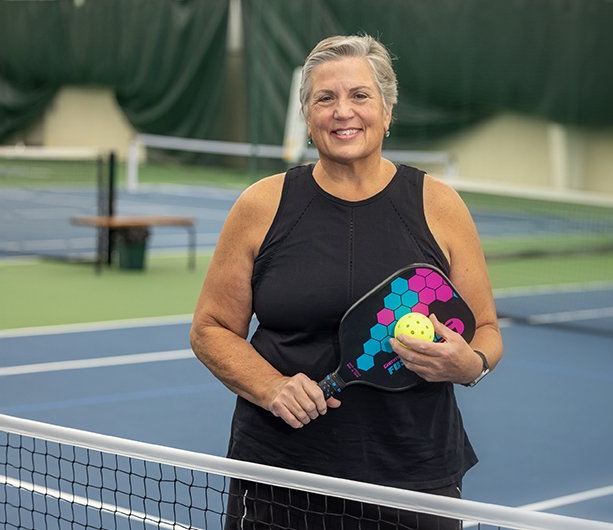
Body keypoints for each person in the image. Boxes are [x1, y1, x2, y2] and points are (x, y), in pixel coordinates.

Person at [189, 34, 502, 530]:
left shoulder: (440, 205)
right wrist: (270, 387)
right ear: (308, 118)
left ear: (387, 110)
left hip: (413, 477)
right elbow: (209, 328)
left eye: (360, 95)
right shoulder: (260, 206)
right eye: (325, 98)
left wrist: (471, 364)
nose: (343, 112)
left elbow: (485, 328)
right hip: (282, 473)